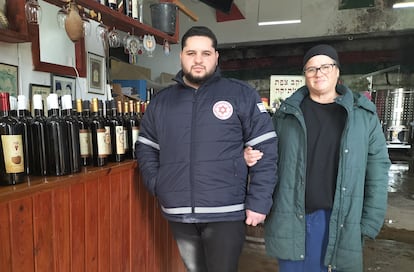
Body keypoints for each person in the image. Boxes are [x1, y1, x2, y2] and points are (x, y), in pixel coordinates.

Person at [135, 26, 278, 272]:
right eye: (191, 53)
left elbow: (265, 147)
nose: (198, 60)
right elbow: (146, 146)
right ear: (181, 56)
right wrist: (158, 183)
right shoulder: (162, 102)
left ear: (216, 56)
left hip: (225, 211)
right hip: (179, 211)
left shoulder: (240, 94)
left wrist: (259, 202)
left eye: (205, 53)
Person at [246, 44, 391, 272]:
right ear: (305, 75)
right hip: (294, 216)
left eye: (325, 66)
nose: (318, 73)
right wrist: (249, 155)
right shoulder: (286, 115)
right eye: (311, 68)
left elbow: (379, 169)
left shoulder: (363, 116)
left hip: (342, 216)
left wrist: (371, 220)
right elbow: (267, 160)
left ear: (337, 71)